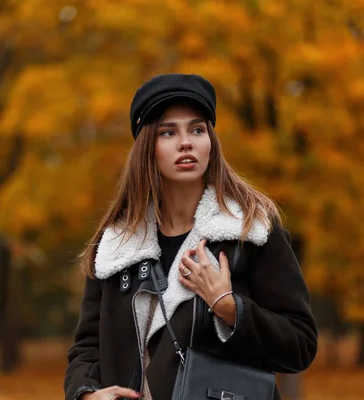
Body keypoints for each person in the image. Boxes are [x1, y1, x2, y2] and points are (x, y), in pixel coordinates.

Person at [64, 73, 318, 400]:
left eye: (197, 130)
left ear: (210, 143)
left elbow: (300, 344)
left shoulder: (249, 232)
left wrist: (230, 308)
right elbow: (86, 348)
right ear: (147, 148)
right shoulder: (115, 247)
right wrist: (86, 394)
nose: (186, 142)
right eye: (168, 132)